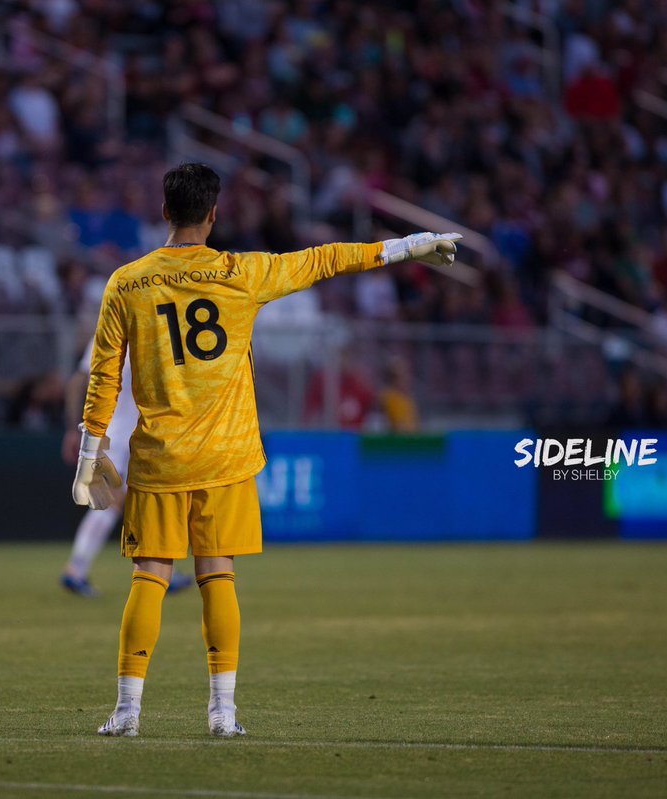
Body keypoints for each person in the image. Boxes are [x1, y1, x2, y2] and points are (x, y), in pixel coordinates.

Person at [71, 163, 459, 738]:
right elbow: (328, 258)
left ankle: (128, 712)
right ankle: (222, 714)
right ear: (213, 215)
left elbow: (104, 377)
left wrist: (88, 453)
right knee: (217, 577)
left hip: (159, 457)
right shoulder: (243, 273)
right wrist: (408, 245)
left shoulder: (127, 282)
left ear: (164, 212)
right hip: (227, 458)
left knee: (149, 577)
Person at [60, 339, 192, 597]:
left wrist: (73, 427)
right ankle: (76, 568)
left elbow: (79, 380)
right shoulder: (155, 331)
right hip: (130, 435)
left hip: (117, 432)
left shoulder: (109, 331)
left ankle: (160, 570)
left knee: (142, 501)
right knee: (119, 502)